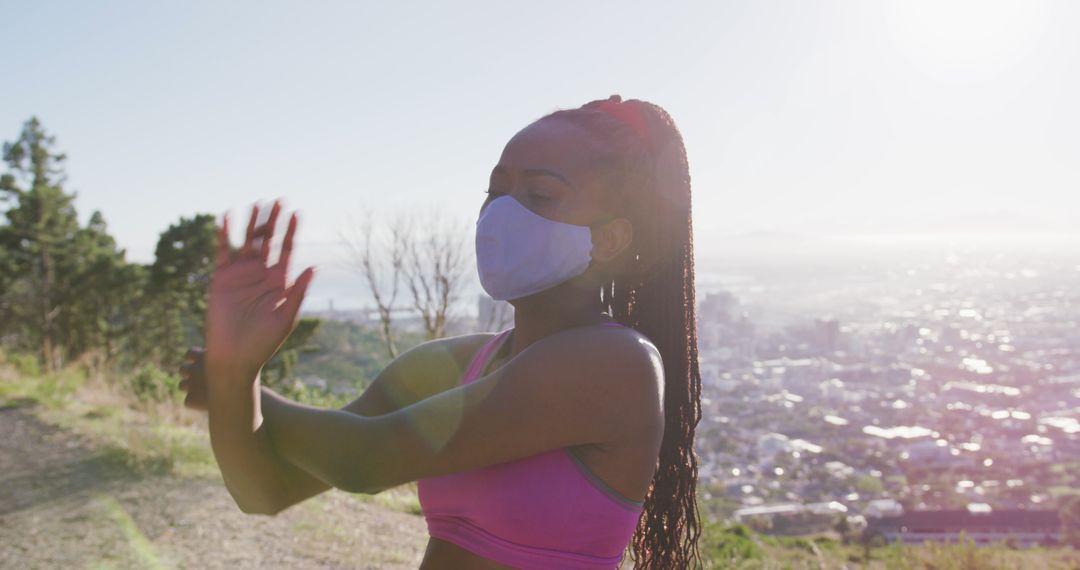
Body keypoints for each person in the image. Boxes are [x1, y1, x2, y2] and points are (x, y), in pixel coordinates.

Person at [179, 95, 703, 569]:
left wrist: (232, 382)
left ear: (610, 238)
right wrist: (236, 376)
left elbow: (365, 459)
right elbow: (264, 489)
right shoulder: (448, 367)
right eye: (495, 191)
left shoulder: (618, 365)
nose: (501, 213)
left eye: (540, 195)